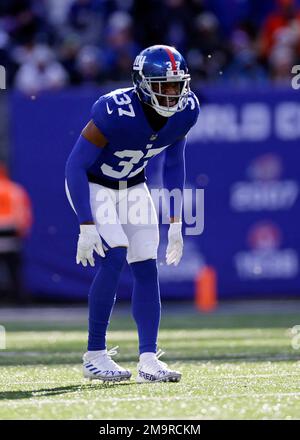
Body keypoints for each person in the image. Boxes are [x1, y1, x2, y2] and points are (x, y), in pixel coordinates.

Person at [65, 44, 200, 383]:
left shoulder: (186, 110)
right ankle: (94, 354)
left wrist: (175, 222)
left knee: (145, 264)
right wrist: (85, 222)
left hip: (133, 185)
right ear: (142, 84)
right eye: (163, 86)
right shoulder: (115, 109)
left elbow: (173, 162)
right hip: (93, 184)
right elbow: (75, 164)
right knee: (115, 254)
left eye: (176, 85)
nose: (171, 94)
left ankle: (149, 359)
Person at [0, 163, 32, 302]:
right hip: (11, 230)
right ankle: (17, 296)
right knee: (13, 266)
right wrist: (23, 229)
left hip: (6, 229)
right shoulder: (14, 190)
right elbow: (22, 212)